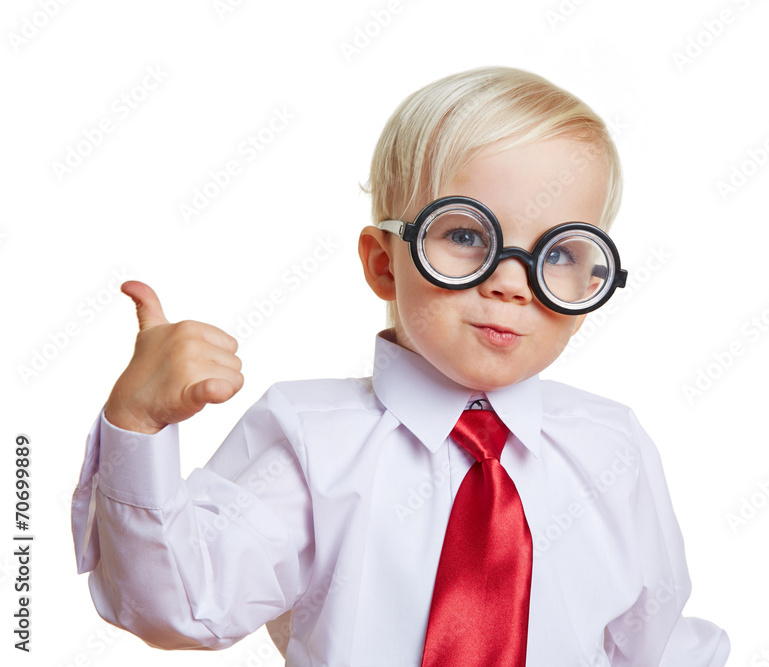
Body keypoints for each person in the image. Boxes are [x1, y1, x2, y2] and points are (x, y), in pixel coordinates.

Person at [72, 66, 730, 666]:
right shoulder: (309, 436)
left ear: (591, 283)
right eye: (466, 235)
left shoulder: (611, 445)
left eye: (557, 253)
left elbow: (654, 642)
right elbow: (183, 605)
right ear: (385, 262)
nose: (511, 282)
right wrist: (137, 425)